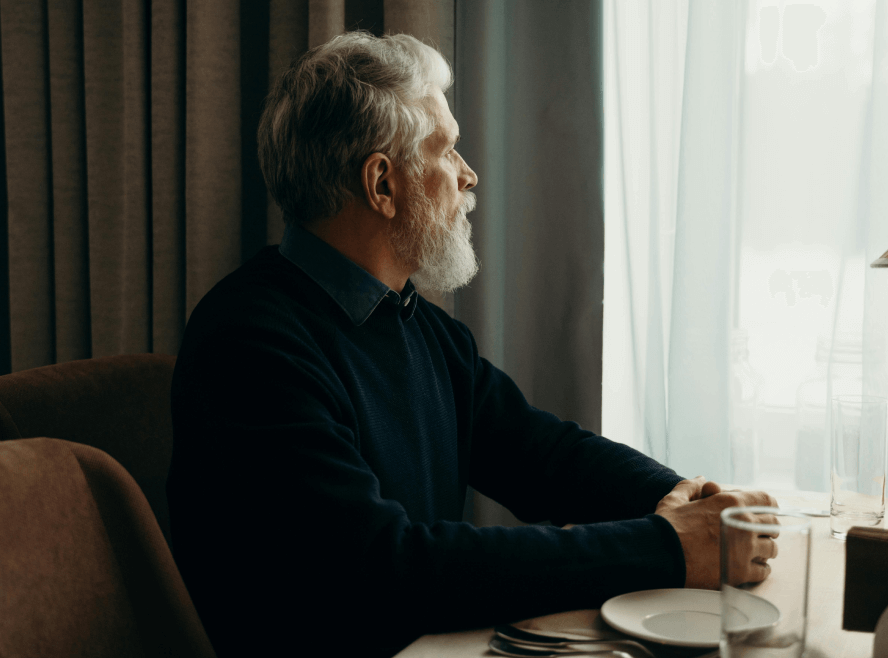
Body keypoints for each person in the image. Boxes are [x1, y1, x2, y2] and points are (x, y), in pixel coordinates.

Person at [166, 30, 777, 658]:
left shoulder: (416, 323)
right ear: (382, 184)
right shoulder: (249, 344)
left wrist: (680, 499)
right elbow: (387, 569)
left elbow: (543, 454)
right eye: (449, 150)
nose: (468, 175)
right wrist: (669, 546)